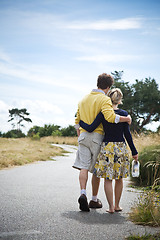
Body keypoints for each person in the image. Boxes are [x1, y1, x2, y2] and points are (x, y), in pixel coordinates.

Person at [73, 73, 132, 212]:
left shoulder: (83, 99)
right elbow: (111, 118)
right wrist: (127, 118)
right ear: (109, 87)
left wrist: (80, 136)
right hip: (97, 137)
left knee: (83, 167)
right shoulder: (104, 99)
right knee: (96, 171)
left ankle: (83, 193)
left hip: (83, 135)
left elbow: (77, 121)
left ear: (98, 83)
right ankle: (94, 199)